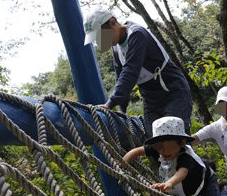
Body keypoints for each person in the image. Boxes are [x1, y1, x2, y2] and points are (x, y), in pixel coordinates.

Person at [83, 8, 193, 138]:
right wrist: (121, 110)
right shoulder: (116, 47)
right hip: (150, 100)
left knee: (174, 138)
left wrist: (110, 104)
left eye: (101, 36)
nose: (100, 42)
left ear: (112, 23)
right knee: (155, 144)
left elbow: (130, 71)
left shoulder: (136, 34)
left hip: (173, 92)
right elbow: (120, 76)